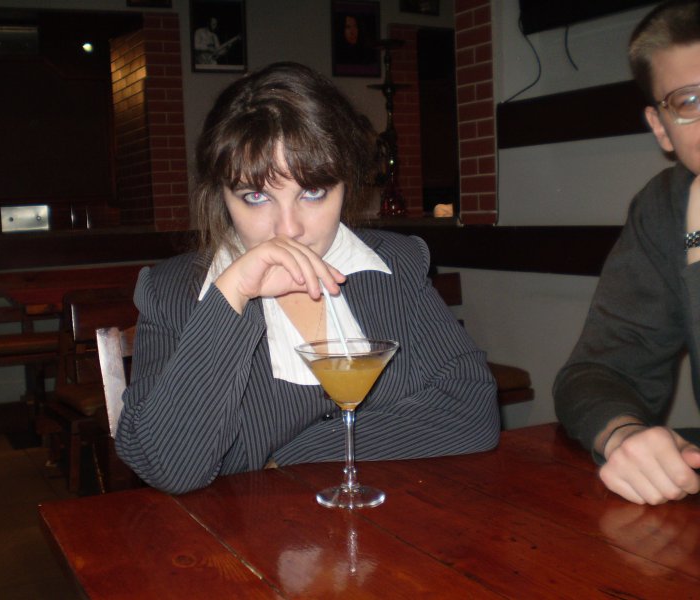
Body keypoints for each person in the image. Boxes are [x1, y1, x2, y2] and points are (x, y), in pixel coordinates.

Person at [115, 62, 500, 495]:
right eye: (256, 196)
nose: (289, 229)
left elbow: (473, 411)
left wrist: (290, 457)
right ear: (221, 195)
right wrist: (231, 297)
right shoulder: (172, 293)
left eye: (312, 192)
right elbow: (169, 468)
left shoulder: (395, 264)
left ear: (346, 184)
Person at [554, 0, 700, 506]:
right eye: (690, 100)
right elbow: (600, 372)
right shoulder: (668, 209)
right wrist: (624, 435)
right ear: (661, 128)